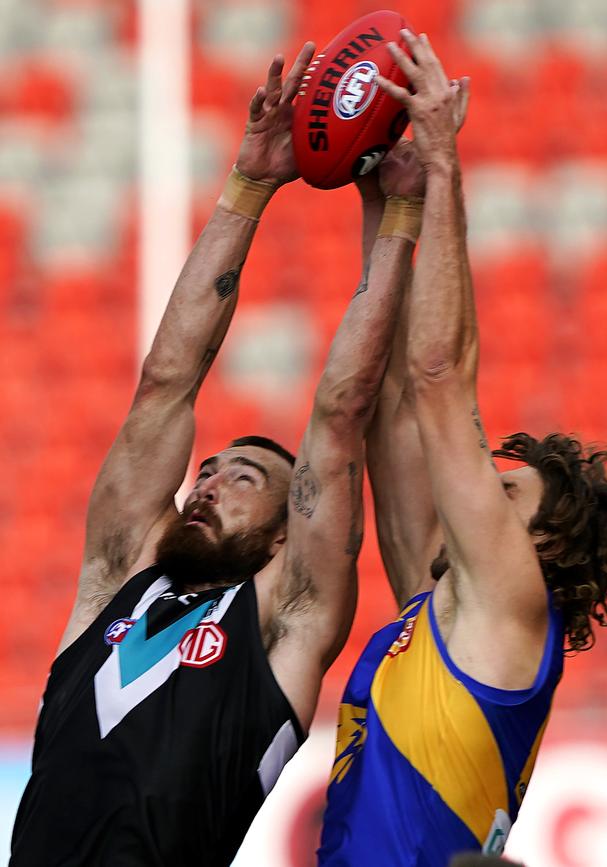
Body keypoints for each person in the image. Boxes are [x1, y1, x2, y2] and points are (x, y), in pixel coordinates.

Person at [10, 44, 424, 867]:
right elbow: (166, 383)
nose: (208, 483)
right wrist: (248, 185)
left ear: (283, 533)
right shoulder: (117, 577)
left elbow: (341, 412)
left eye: (244, 479)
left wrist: (396, 217)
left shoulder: (286, 616)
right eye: (207, 470)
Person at [318, 29, 607, 866]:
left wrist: (441, 165)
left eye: (508, 494)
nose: (478, 492)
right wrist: (385, 205)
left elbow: (437, 379)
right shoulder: (443, 614)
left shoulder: (511, 600)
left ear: (545, 542)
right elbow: (396, 409)